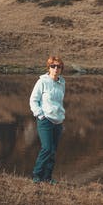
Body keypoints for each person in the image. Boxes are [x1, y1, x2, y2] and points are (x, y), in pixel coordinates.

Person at [29, 55, 66, 184]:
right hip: (45, 120)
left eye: (58, 67)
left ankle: (47, 177)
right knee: (47, 148)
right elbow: (33, 100)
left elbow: (59, 102)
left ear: (61, 69)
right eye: (53, 66)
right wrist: (40, 115)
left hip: (58, 121)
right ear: (49, 68)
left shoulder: (62, 82)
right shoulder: (42, 81)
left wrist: (61, 117)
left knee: (53, 151)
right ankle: (36, 175)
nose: (56, 69)